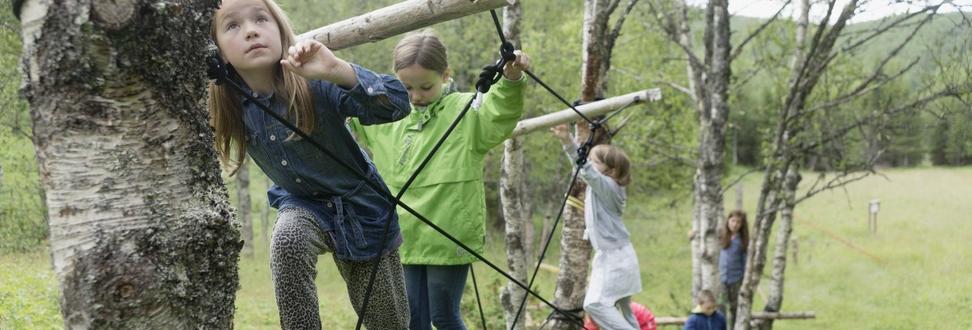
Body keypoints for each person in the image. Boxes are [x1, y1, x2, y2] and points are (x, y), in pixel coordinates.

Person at [208, 0, 412, 328]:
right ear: (215, 48)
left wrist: (337, 71)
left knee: (388, 322)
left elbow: (399, 105)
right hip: (302, 207)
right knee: (288, 239)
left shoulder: (314, 80)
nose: (250, 31)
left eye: (261, 18)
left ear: (280, 29)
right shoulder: (229, 104)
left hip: (363, 213)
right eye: (232, 25)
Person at [348, 31, 531, 330]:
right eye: (407, 87)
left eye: (426, 86)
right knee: (413, 317)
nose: (416, 95)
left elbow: (498, 114)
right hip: (403, 232)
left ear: (446, 75)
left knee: (443, 316)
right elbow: (351, 111)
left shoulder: (465, 111)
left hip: (449, 231)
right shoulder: (389, 113)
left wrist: (510, 81)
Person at [552, 124, 641, 330]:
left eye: (595, 162)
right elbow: (582, 169)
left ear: (612, 170)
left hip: (615, 257)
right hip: (620, 254)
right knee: (625, 312)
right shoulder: (605, 187)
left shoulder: (609, 187)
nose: (590, 165)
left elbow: (585, 170)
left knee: (594, 305)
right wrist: (568, 144)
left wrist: (568, 142)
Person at [718, 210, 748, 326]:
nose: (734, 224)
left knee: (734, 308)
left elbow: (745, 262)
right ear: (728, 221)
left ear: (741, 225)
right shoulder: (723, 236)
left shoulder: (742, 241)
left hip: (736, 280)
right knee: (721, 307)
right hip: (722, 279)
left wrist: (745, 280)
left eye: (738, 222)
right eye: (732, 220)